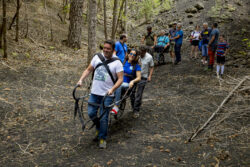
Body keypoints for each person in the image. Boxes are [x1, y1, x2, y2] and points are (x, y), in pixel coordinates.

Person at [77, 40, 124, 149]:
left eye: (108, 48)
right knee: (91, 113)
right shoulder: (97, 57)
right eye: (105, 48)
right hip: (94, 92)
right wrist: (81, 80)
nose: (106, 50)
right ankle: (99, 128)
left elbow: (120, 79)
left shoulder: (117, 62)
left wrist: (112, 89)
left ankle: (102, 137)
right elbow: (88, 70)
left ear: (113, 50)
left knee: (104, 117)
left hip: (107, 95)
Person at [111, 49, 141, 115]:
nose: (132, 55)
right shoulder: (123, 62)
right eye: (131, 54)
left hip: (128, 84)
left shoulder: (136, 66)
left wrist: (133, 81)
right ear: (128, 54)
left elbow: (139, 77)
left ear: (136, 56)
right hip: (119, 81)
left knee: (119, 85)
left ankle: (116, 106)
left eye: (134, 55)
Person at [131, 45, 154, 118]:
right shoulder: (137, 55)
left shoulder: (149, 57)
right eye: (140, 52)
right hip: (135, 76)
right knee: (132, 92)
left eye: (142, 53)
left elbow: (152, 66)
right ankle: (133, 106)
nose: (141, 54)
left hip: (143, 77)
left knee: (139, 94)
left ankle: (136, 110)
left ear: (145, 52)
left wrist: (149, 76)